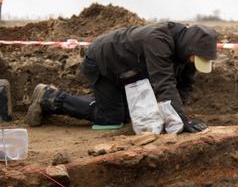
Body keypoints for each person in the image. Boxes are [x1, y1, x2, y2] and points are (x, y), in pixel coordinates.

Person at [26, 21, 218, 133]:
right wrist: (182, 122)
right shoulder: (159, 41)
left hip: (129, 70)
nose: (194, 63)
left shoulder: (188, 52)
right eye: (195, 59)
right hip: (104, 62)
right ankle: (50, 98)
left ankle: (108, 104)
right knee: (111, 119)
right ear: (190, 48)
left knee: (137, 116)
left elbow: (184, 85)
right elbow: (164, 83)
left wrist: (175, 116)